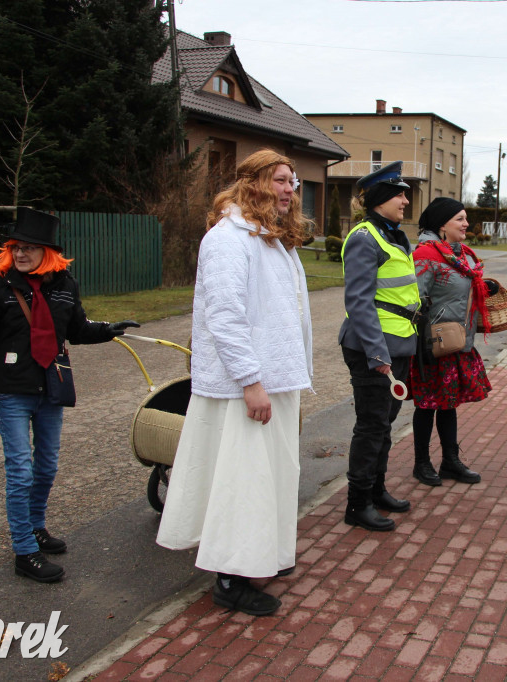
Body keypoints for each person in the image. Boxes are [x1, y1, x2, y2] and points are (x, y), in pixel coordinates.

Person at [156, 150, 313, 616]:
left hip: (275, 379)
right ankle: (230, 577)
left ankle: (262, 555)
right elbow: (224, 317)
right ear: (253, 184)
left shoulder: (270, 239)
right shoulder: (228, 239)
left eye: (292, 181)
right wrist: (250, 381)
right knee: (242, 482)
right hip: (245, 387)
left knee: (270, 478)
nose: (289, 190)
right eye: (280, 181)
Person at [0, 207, 138, 583]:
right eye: (16, 247)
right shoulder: (0, 286)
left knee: (46, 467)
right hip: (14, 391)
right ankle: (24, 551)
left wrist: (108, 329)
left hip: (52, 387)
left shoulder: (66, 286)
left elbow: (77, 328)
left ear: (47, 252)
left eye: (29, 248)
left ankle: (35, 526)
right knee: (20, 471)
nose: (20, 254)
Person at [339, 160, 420, 532]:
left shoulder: (392, 234)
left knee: (384, 425)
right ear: (381, 198)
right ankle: (357, 504)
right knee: (371, 426)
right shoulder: (364, 237)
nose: (406, 200)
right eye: (400, 194)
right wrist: (377, 354)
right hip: (375, 349)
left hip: (397, 344)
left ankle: (377, 490)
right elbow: (358, 302)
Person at [409, 197, 494, 487]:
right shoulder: (425, 255)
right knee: (426, 405)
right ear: (442, 224)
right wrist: (421, 345)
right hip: (433, 344)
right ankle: (421, 464)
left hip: (458, 341)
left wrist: (486, 288)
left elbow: (465, 290)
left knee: (449, 404)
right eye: (460, 218)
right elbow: (414, 301)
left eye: (465, 218)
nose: (466, 223)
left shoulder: (462, 255)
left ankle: (450, 461)